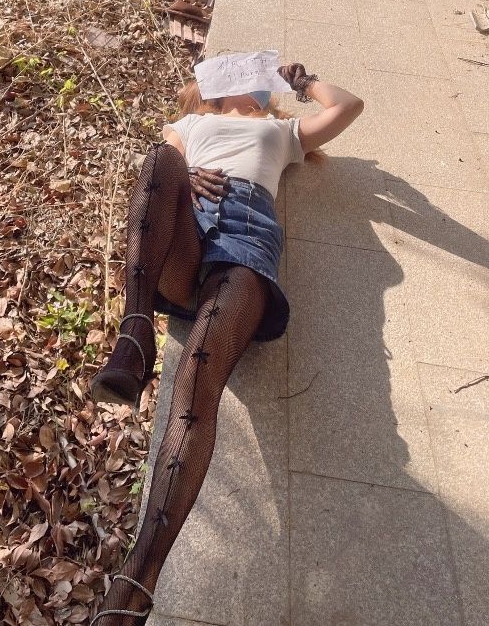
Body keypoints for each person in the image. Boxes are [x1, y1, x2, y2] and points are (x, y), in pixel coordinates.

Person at [88, 61, 365, 625]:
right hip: (186, 235)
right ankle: (135, 332)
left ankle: (136, 581)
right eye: (237, 73)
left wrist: (303, 82)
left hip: (244, 243)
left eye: (256, 75)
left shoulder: (281, 132)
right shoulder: (188, 126)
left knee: (197, 385)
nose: (248, 80)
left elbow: (349, 107)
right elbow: (160, 181)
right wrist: (186, 178)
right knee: (159, 161)